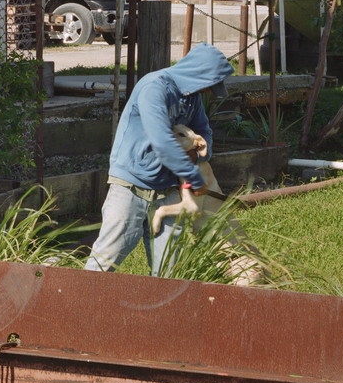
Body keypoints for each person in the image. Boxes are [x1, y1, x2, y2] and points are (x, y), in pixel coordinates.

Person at [85, 43, 236, 275]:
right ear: (197, 73)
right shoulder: (154, 88)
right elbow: (163, 142)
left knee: (169, 272)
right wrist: (194, 179)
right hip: (131, 184)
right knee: (104, 261)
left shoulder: (192, 98)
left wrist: (196, 155)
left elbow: (205, 133)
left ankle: (160, 301)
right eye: (209, 85)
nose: (208, 92)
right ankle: (76, 297)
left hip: (168, 189)